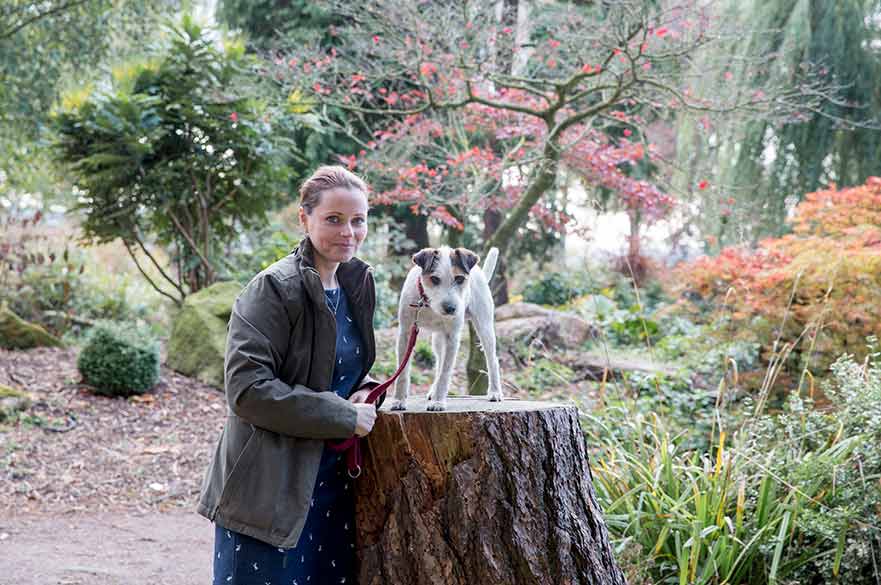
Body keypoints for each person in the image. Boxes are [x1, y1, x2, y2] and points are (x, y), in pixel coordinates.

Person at [198, 165, 382, 585]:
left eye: (358, 220)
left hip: (333, 489)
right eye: (333, 219)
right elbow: (247, 391)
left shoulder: (356, 284)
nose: (348, 231)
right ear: (305, 218)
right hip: (268, 491)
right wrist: (341, 415)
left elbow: (346, 371)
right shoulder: (272, 289)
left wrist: (366, 393)